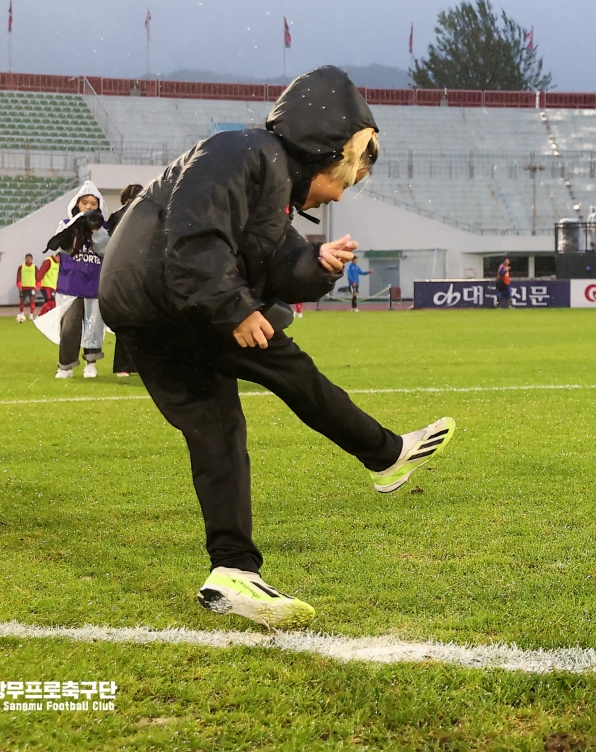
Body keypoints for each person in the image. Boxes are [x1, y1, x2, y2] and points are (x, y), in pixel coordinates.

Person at [100, 66, 454, 631]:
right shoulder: (241, 152)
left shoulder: (266, 178)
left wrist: (316, 263)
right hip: (172, 300)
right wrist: (233, 308)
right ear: (327, 151)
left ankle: (232, 570)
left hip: (149, 307)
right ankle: (384, 454)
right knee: (289, 367)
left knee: (217, 430)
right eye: (345, 179)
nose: (339, 193)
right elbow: (195, 234)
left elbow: (275, 263)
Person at [47, 182, 110, 378]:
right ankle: (65, 366)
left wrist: (96, 231)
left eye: (93, 203)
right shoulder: (65, 224)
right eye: (85, 202)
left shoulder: (105, 227)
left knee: (94, 327)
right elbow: (61, 248)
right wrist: (76, 229)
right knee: (69, 327)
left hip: (94, 284)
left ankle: (91, 364)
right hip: (70, 284)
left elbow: (106, 250)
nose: (89, 206)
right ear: (77, 204)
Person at [106, 184, 143, 377]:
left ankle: (125, 365)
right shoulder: (144, 215)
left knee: (129, 321)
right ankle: (129, 364)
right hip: (134, 274)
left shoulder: (116, 217)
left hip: (124, 274)